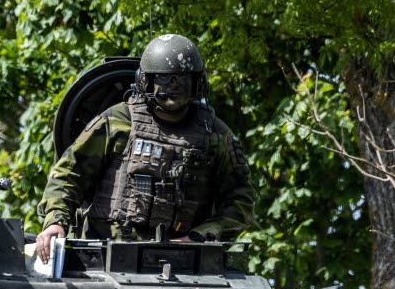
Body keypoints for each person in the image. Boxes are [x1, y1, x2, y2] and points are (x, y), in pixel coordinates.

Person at [35, 35, 258, 265]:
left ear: (197, 83)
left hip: (182, 261)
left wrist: (199, 237)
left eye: (183, 78)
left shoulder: (215, 135)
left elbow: (240, 201)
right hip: (103, 256)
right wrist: (55, 221)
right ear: (146, 80)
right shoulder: (117, 121)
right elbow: (69, 174)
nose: (174, 85)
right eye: (164, 77)